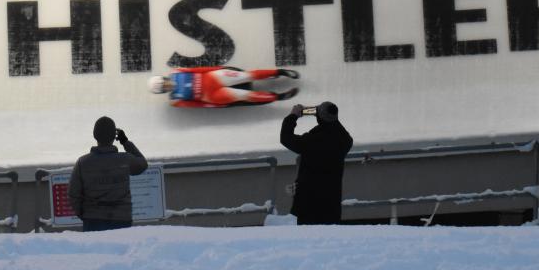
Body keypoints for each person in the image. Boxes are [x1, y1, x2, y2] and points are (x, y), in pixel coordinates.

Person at [69, 116, 149, 231]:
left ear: (95, 135)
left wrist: (86, 215)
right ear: (114, 136)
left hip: (92, 220)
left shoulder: (83, 162)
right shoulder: (126, 159)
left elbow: (73, 194)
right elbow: (143, 164)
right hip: (122, 220)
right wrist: (125, 142)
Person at [280, 102, 354, 225]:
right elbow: (336, 128)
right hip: (331, 200)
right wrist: (328, 116)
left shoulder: (313, 140)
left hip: (308, 200)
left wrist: (293, 116)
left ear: (319, 117)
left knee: (308, 236)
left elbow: (286, 138)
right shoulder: (344, 140)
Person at [149, 67, 299, 107]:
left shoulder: (177, 72)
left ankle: (280, 72)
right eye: (163, 88)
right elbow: (197, 105)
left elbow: (199, 70)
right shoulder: (175, 100)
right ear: (162, 92)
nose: (166, 86)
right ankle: (278, 96)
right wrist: (214, 106)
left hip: (214, 77)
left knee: (247, 75)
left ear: (164, 78)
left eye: (163, 82)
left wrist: (218, 68)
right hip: (213, 96)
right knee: (244, 96)